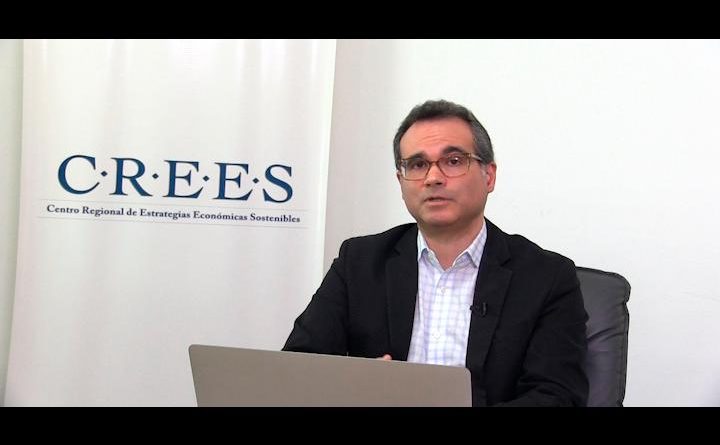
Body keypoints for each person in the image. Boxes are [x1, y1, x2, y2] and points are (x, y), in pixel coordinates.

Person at [283, 99, 588, 406]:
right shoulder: (359, 263)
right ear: (401, 181)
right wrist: (358, 386)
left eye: (453, 161)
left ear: (489, 176)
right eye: (417, 165)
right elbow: (298, 367)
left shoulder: (546, 277)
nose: (433, 178)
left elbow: (557, 395)